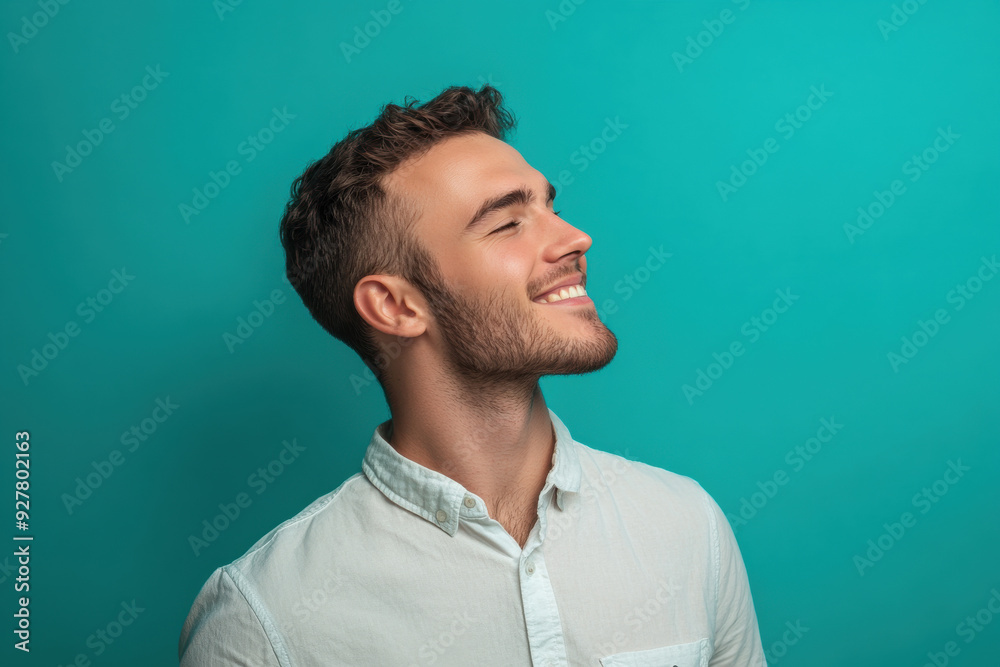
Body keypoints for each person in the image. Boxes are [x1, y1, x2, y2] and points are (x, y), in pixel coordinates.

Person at [178, 85, 767, 666]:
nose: (575, 239)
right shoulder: (263, 621)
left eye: (551, 208)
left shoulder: (687, 528)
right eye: (508, 224)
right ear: (396, 307)